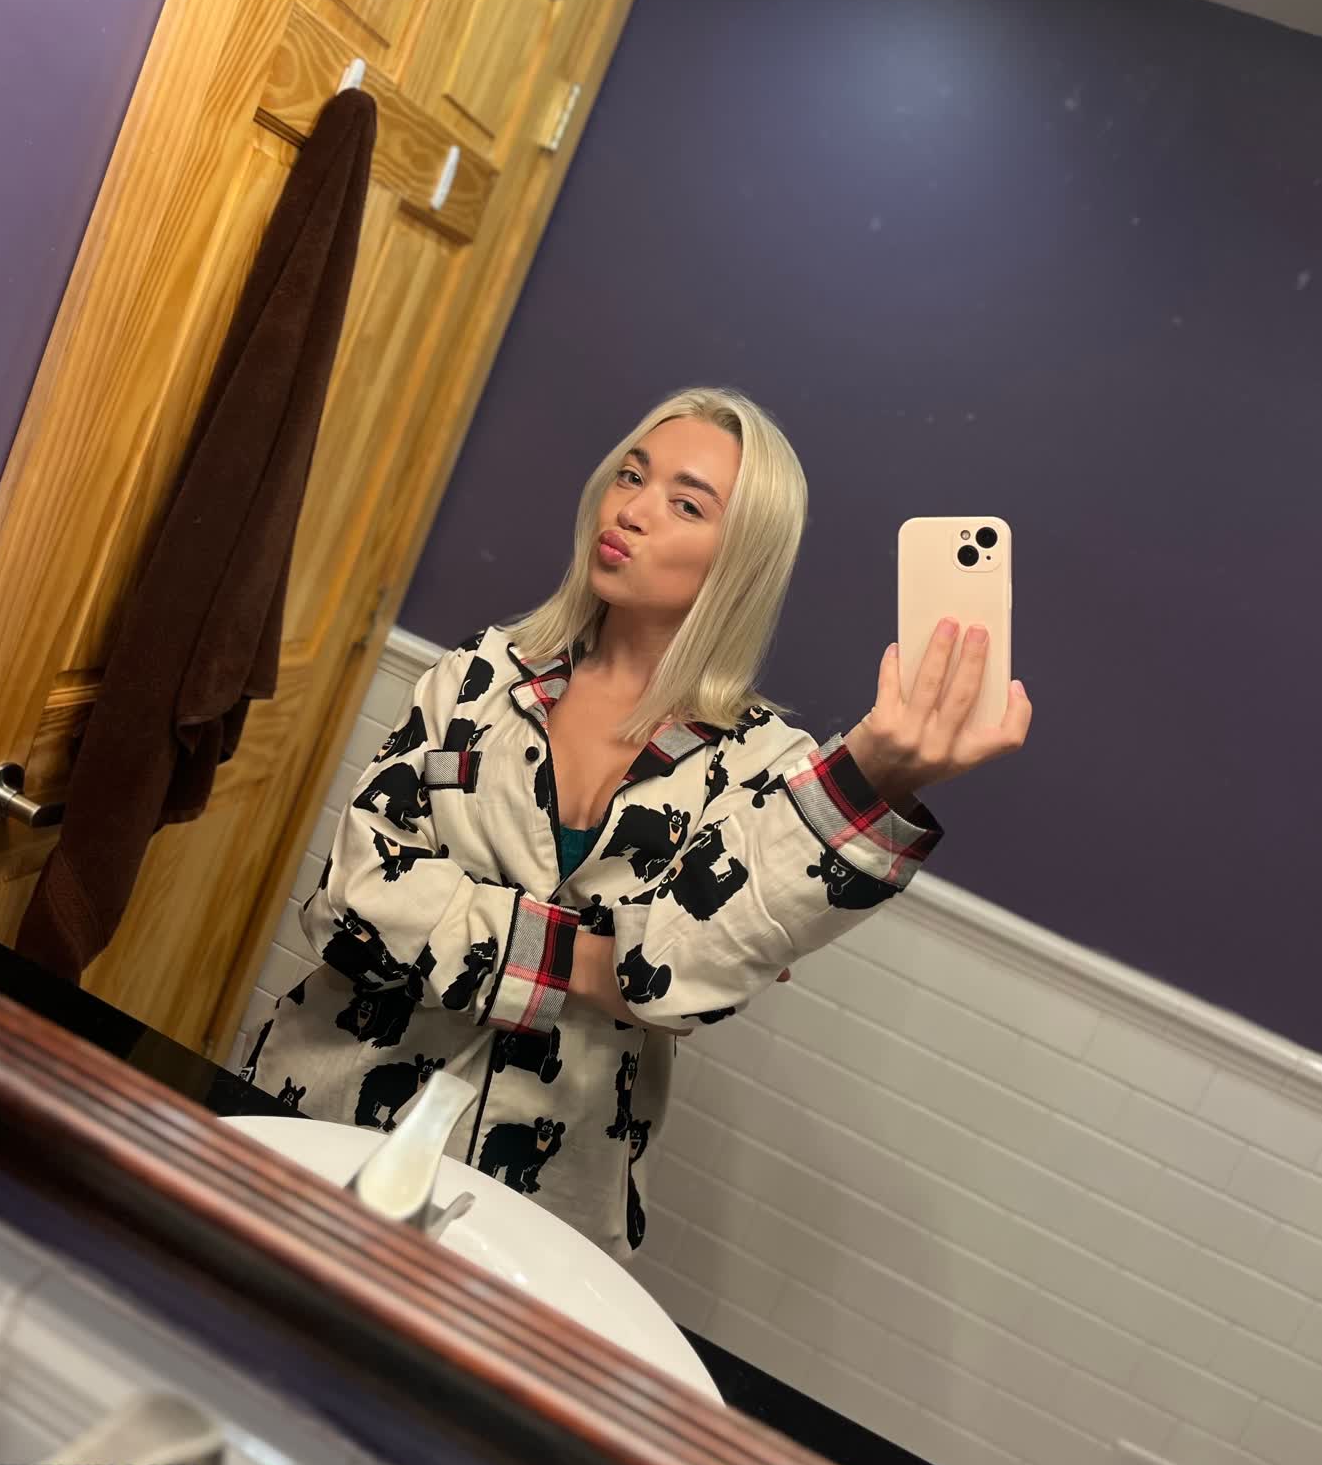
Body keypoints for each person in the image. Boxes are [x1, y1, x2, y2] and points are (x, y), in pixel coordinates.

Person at [242, 387, 1032, 1261]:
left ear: (741, 558)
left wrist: (876, 772)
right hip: (323, 1107)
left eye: (685, 504)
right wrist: (603, 961)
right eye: (630, 475)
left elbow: (684, 983)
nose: (632, 510)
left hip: (544, 1198)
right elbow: (350, 900)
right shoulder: (476, 680)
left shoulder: (763, 768)